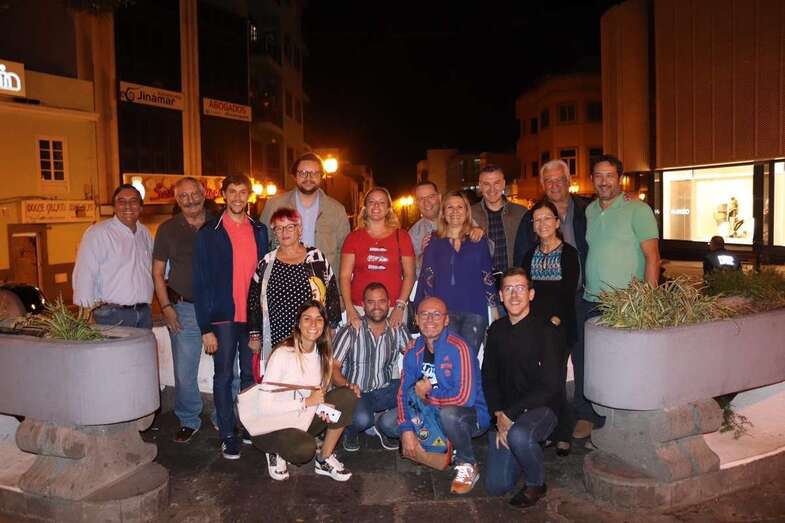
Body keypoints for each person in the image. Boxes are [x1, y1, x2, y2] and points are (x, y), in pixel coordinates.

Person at [578, 154, 660, 439]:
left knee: (625, 366)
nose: (604, 181)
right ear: (592, 179)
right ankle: (595, 417)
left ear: (620, 178)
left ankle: (627, 424)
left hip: (627, 302)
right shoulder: (589, 211)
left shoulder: (638, 209)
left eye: (609, 175)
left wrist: (648, 302)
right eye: (598, 175)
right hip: (592, 300)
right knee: (594, 363)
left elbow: (653, 258)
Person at [378, 297, 491, 495]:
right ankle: (441, 444)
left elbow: (464, 398)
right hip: (429, 411)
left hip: (468, 415)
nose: (430, 319)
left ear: (446, 320)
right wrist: (406, 430)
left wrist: (428, 395)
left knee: (449, 416)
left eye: (437, 314)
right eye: (424, 314)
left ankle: (467, 463)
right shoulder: (413, 350)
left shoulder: (460, 348)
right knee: (388, 423)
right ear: (417, 319)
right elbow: (403, 391)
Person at [193, 174, 269, 460]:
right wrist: (205, 327)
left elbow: (264, 277)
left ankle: (248, 425)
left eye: (243, 192)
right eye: (232, 192)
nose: (238, 197)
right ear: (224, 195)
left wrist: (261, 320)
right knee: (224, 376)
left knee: (250, 375)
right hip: (223, 318)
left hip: (250, 317)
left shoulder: (259, 230)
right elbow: (200, 283)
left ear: (249, 195)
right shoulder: (209, 233)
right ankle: (227, 433)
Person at [244, 301, 358, 482]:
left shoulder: (322, 354)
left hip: (302, 417)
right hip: (272, 426)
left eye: (319, 319)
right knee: (304, 451)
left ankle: (324, 459)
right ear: (298, 323)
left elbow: (313, 395)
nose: (313, 324)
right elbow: (264, 407)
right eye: (307, 319)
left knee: (347, 397)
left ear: (324, 325)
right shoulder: (283, 354)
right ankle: (274, 451)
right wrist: (307, 402)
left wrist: (320, 404)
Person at [482, 268, 563, 508]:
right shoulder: (496, 330)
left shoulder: (546, 332)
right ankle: (525, 449)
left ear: (531, 294)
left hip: (542, 409)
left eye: (520, 288)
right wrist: (498, 414)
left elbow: (550, 386)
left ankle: (536, 483)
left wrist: (511, 415)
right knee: (496, 486)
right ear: (500, 295)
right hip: (505, 413)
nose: (514, 295)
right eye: (508, 289)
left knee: (519, 435)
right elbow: (489, 377)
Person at [152, 177, 212, 443]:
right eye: (183, 196)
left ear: (203, 193)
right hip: (184, 308)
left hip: (218, 308)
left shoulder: (220, 223)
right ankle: (188, 419)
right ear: (177, 200)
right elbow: (156, 272)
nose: (190, 200)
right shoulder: (167, 229)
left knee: (226, 369)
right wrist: (166, 306)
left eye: (194, 193)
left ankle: (225, 417)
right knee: (185, 369)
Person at [520, 200, 579, 456]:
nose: (542, 224)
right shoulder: (529, 254)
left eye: (547, 218)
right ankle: (545, 430)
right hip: (534, 327)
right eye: (537, 220)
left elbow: (567, 293)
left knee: (554, 380)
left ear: (557, 222)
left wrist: (553, 320)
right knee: (538, 382)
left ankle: (563, 432)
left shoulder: (568, 254)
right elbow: (524, 292)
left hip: (558, 326)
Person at [247, 207, 341, 365]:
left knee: (310, 379)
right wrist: (255, 335)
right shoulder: (266, 262)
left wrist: (331, 326)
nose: (284, 232)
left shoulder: (316, 258)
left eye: (290, 226)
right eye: (279, 227)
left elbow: (331, 291)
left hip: (311, 333)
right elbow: (254, 300)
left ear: (300, 229)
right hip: (277, 333)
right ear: (274, 232)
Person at [415, 191, 498, 354]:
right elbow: (428, 276)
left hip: (474, 310)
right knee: (445, 359)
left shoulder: (478, 240)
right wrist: (424, 309)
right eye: (450, 207)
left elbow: (486, 274)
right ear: (443, 212)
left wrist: (493, 308)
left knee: (468, 359)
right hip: (443, 312)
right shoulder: (434, 240)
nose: (455, 211)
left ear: (467, 211)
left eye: (460, 207)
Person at [331, 282, 411, 452]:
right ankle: (350, 430)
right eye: (371, 302)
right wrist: (347, 385)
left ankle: (382, 424)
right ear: (363, 305)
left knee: (413, 398)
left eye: (381, 301)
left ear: (389, 303)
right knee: (361, 420)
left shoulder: (397, 328)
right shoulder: (351, 330)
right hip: (357, 392)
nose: (377, 307)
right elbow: (333, 368)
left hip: (385, 389)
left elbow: (414, 358)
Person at [73, 184, 153, 328]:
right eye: (121, 201)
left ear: (141, 207)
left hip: (144, 314)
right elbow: (85, 274)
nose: (127, 206)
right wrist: (86, 316)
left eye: (133, 201)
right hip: (110, 316)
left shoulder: (145, 234)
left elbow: (154, 270)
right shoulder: (98, 233)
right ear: (114, 207)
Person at [260, 152, 350, 278]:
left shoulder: (336, 210)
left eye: (314, 173)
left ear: (322, 176)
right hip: (284, 281)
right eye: (302, 173)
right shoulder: (274, 205)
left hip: (323, 283)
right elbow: (262, 243)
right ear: (295, 176)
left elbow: (345, 252)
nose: (308, 177)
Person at [340, 187, 415, 330]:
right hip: (360, 307)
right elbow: (344, 276)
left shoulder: (401, 237)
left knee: (392, 351)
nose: (376, 206)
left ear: (388, 208)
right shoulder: (353, 238)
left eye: (381, 202)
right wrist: (350, 309)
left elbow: (409, 275)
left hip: (393, 307)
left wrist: (400, 307)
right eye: (371, 202)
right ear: (365, 207)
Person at [409, 181, 485, 277]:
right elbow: (413, 270)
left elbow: (487, 253)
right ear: (416, 203)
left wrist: (480, 233)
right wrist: (425, 254)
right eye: (421, 199)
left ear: (439, 197)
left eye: (431, 197)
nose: (426, 202)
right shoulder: (414, 234)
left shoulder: (459, 218)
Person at [471, 165, 527, 274]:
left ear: (504, 184)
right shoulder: (469, 215)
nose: (492, 189)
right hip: (481, 283)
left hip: (512, 281)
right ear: (480, 186)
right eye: (487, 184)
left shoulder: (521, 213)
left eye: (496, 183)